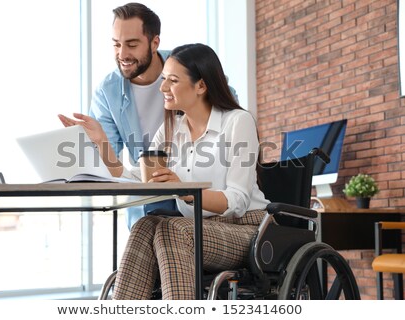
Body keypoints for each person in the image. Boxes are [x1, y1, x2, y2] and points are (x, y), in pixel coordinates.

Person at [58, 43, 268, 299]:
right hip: (194, 227)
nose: (163, 88)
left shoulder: (237, 121)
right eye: (163, 79)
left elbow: (238, 200)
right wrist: (101, 140)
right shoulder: (172, 128)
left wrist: (186, 192)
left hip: (246, 229)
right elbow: (136, 176)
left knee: (171, 229)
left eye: (173, 80)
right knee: (145, 226)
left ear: (201, 86)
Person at [87, 3, 173, 229]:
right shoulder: (107, 91)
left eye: (132, 45)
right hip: (145, 196)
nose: (122, 54)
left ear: (154, 43)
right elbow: (107, 164)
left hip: (197, 186)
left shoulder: (186, 67)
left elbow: (228, 111)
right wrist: (97, 143)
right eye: (116, 44)